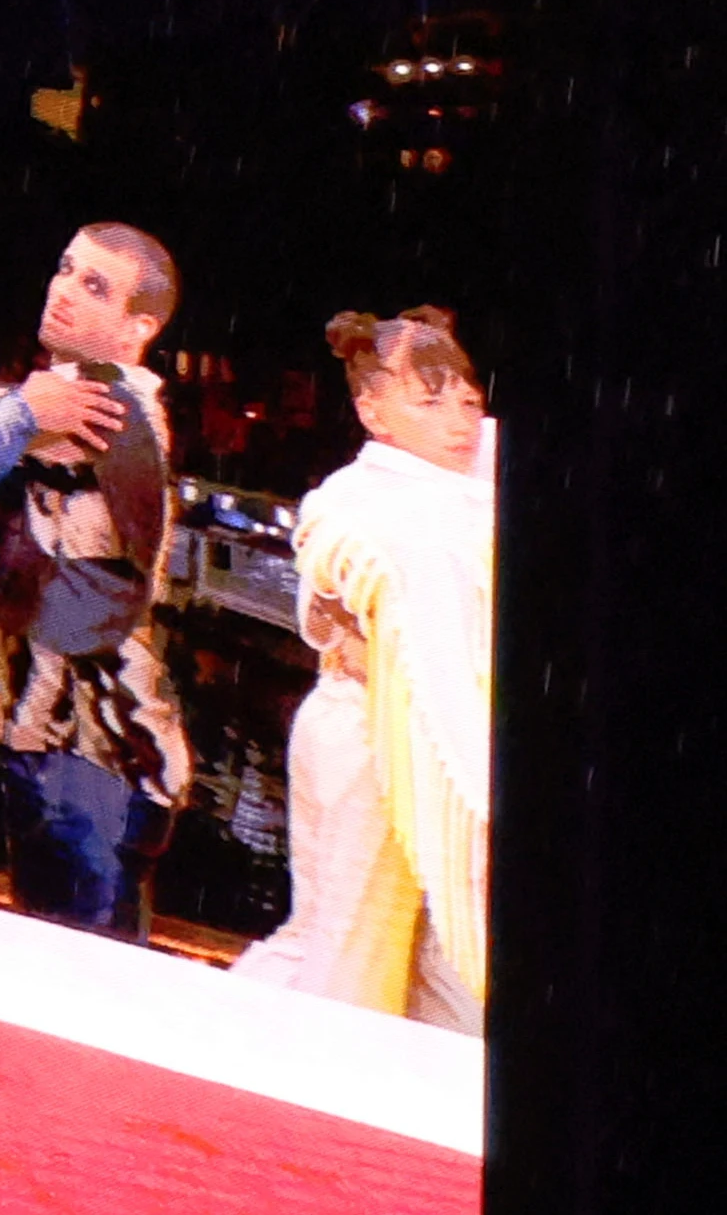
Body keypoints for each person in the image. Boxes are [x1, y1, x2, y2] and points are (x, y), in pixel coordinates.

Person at [0, 218, 194, 939]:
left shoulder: (103, 403)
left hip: (81, 751)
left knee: (67, 971)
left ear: (138, 329)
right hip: (96, 748)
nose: (64, 291)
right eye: (66, 269)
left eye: (94, 286)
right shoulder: (92, 399)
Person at [255, 308, 491, 1027]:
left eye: (468, 400)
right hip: (370, 738)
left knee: (435, 967)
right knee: (351, 956)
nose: (459, 418)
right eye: (430, 399)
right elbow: (336, 608)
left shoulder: (468, 494)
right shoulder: (357, 501)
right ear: (373, 411)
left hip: (422, 741)